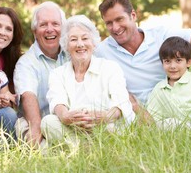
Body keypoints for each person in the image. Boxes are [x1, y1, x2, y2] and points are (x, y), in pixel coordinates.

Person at [41, 15, 135, 144]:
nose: (80, 44)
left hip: (104, 126)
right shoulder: (57, 74)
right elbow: (58, 102)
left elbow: (121, 103)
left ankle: (76, 149)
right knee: (48, 122)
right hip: (72, 129)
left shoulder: (110, 68)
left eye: (85, 38)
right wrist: (66, 117)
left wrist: (105, 116)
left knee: (113, 129)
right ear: (66, 45)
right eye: (73, 40)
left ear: (94, 43)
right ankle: (84, 149)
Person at [13, 1, 68, 147]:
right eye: (43, 25)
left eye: (55, 24)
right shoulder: (26, 63)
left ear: (63, 28)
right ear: (35, 31)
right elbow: (28, 96)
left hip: (68, 119)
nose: (50, 29)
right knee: (28, 132)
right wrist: (36, 130)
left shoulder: (72, 52)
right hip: (40, 120)